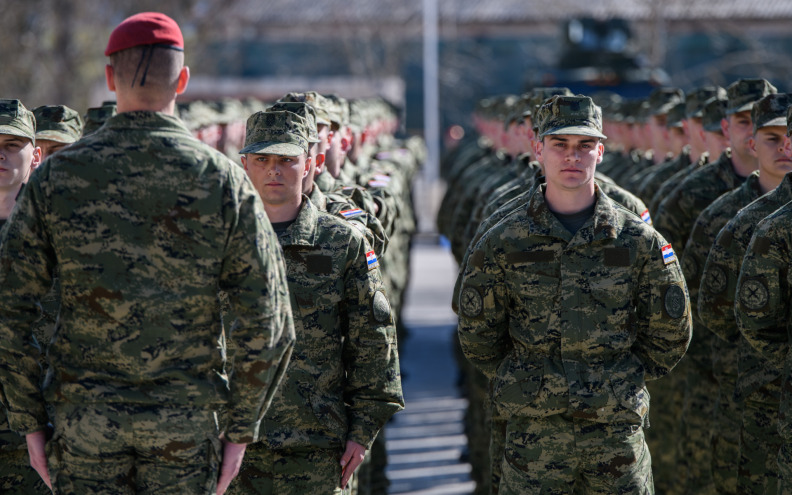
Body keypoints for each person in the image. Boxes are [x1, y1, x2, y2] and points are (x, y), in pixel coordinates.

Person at [0, 12, 295, 494]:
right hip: (185, 431)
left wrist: (29, 422)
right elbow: (269, 321)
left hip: (85, 429)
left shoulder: (57, 177)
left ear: (109, 77)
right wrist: (241, 432)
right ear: (182, 80)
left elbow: (10, 309)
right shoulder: (223, 181)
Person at [456, 94, 692, 494]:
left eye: (585, 145)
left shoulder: (637, 239)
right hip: (535, 439)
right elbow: (479, 337)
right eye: (559, 144)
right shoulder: (505, 239)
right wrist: (532, 383)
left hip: (615, 439)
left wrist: (617, 381)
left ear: (600, 151)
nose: (572, 156)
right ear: (537, 149)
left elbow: (671, 332)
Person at [230, 109, 404, 494]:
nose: (274, 170)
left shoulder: (341, 242)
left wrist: (362, 431)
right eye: (262, 159)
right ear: (244, 165)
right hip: (233, 448)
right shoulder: (220, 240)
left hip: (317, 450)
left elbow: (373, 343)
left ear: (310, 163)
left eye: (286, 160)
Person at [680, 92, 792, 494]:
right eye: (770, 138)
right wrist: (778, 360)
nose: (781, 149)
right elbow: (710, 307)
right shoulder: (743, 222)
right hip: (757, 391)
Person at [0, 98, 48, 495]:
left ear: (36, 156)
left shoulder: (60, 232)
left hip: (38, 429)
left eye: (12, 144)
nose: (0, 154)